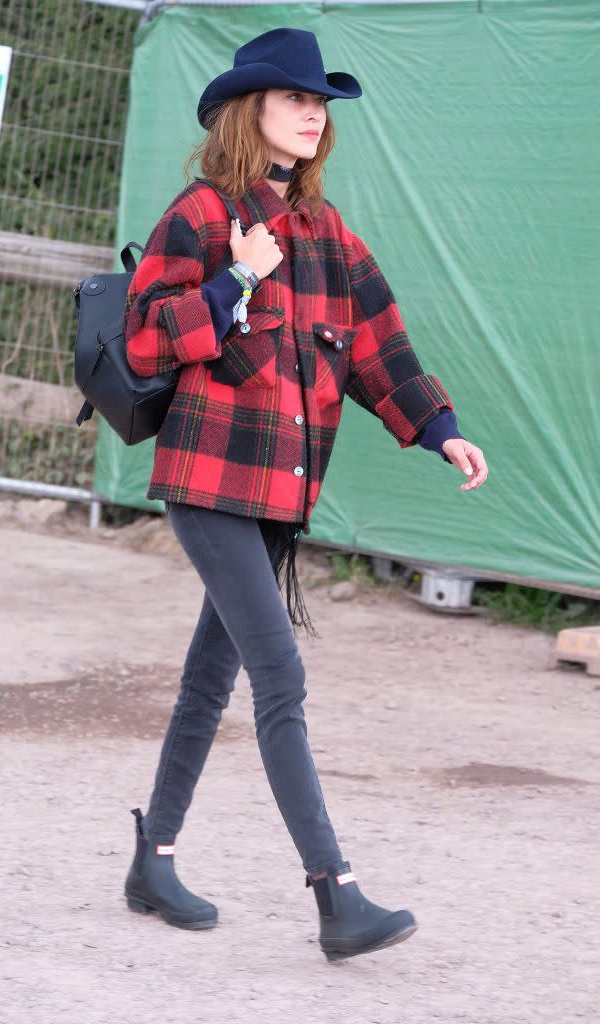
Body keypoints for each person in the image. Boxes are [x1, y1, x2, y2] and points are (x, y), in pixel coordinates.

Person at [121, 27, 488, 962]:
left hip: (280, 494)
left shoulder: (331, 238)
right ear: (253, 112)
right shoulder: (200, 216)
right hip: (208, 483)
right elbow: (146, 340)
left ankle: (152, 860)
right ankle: (337, 895)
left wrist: (441, 431)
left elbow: (380, 354)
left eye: (319, 101)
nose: (314, 111)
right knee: (279, 674)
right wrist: (238, 274)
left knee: (214, 677)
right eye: (294, 97)